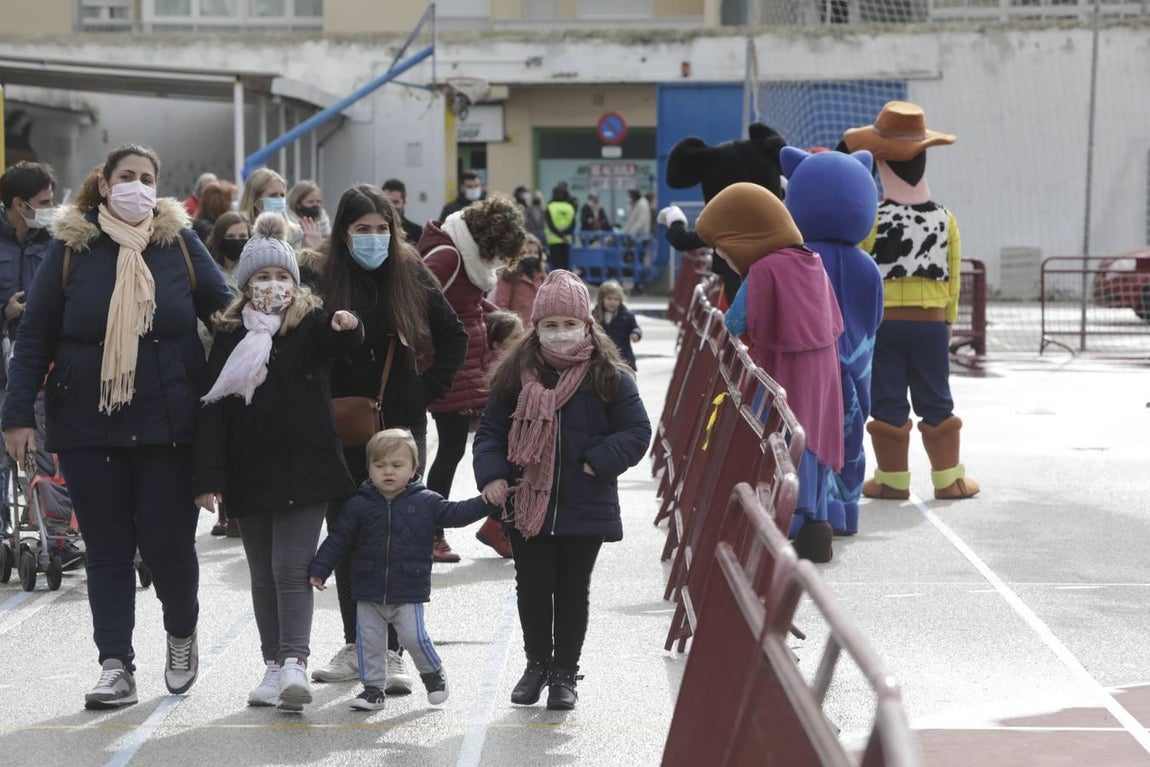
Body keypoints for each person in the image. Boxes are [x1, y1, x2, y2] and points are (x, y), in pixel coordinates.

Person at [1, 143, 233, 709]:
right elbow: (33, 338)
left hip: (168, 423)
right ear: (103, 185)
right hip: (87, 423)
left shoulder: (179, 242)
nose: (136, 185)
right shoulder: (70, 248)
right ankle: (116, 665)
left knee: (168, 547)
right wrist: (14, 419)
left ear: (159, 187)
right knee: (106, 550)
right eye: (125, 176)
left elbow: (225, 316)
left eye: (146, 177)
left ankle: (181, 634)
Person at [195, 212, 363, 712]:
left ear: (295, 282)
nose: (273, 286)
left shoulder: (311, 324)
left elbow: (343, 342)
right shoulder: (229, 334)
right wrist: (208, 479)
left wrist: (349, 327)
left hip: (308, 470)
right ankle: (272, 664)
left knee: (291, 568)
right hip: (250, 472)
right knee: (262, 574)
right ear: (246, 286)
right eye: (262, 278)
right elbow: (213, 410)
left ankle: (295, 661)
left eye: (282, 277)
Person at [473, 270, 651, 711]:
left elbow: (636, 430)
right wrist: (493, 475)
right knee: (532, 585)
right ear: (536, 327)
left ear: (586, 324)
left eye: (568, 324)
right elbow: (490, 433)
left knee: (572, 589)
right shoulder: (516, 375)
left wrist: (597, 461)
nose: (559, 334)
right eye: (549, 325)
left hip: (583, 504)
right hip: (526, 501)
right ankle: (536, 664)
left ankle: (564, 674)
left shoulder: (608, 375)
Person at [313, 183, 467, 690]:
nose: (374, 238)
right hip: (339, 424)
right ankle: (358, 644)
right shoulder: (321, 273)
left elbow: (454, 336)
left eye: (382, 229)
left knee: (396, 539)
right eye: (363, 230)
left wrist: (425, 392)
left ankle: (395, 650)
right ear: (343, 233)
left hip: (399, 429)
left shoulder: (410, 269)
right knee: (348, 532)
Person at [696, 182, 845, 563]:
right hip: (822, 369)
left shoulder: (764, 269)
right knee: (812, 438)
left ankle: (783, 524)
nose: (724, 259)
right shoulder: (812, 260)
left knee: (782, 436)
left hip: (783, 371)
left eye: (725, 249)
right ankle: (817, 525)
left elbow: (735, 320)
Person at [842, 101, 980, 502]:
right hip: (932, 324)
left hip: (884, 326)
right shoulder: (946, 219)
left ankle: (892, 480)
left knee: (886, 397)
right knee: (936, 397)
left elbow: (859, 273)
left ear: (883, 166)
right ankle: (948, 479)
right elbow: (953, 279)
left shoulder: (872, 218)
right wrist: (948, 321)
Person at [309, 428, 498, 711]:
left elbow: (456, 514)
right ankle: (373, 690)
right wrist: (320, 568)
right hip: (367, 590)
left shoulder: (426, 501)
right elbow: (338, 539)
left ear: (413, 469)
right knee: (369, 644)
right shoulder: (358, 505)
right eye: (379, 465)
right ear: (369, 469)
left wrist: (486, 502)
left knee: (413, 638)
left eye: (397, 465)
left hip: (407, 590)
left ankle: (432, 673)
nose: (388, 471)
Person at [418, 195, 526, 562]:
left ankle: (495, 522)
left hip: (471, 368)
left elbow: (470, 303)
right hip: (449, 370)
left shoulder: (466, 255)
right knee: (450, 450)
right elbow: (415, 303)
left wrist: (509, 321)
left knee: (503, 439)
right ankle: (431, 532)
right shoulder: (447, 257)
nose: (497, 261)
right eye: (498, 252)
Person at [201, 210, 252, 537]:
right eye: (231, 236)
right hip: (215, 356)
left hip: (249, 359)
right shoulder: (210, 272)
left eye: (243, 235)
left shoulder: (252, 273)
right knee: (223, 436)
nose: (238, 241)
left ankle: (236, 508)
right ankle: (224, 510)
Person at [0, 161, 56, 342]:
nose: (51, 208)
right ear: (19, 204)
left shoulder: (55, 241)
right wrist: (4, 313)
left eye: (52, 200)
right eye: (44, 202)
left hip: (40, 354)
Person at [492, 234, 545, 328]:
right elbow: (502, 305)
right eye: (528, 252)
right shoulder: (509, 275)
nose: (533, 256)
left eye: (536, 253)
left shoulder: (542, 276)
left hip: (537, 329)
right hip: (517, 329)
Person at [593, 280, 642, 371]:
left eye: (616, 299)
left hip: (623, 359)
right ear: (601, 299)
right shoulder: (594, 316)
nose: (613, 302)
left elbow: (635, 327)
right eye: (609, 298)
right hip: (602, 359)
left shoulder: (626, 316)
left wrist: (636, 333)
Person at [286, 179, 332, 246]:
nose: (316, 205)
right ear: (298, 204)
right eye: (311, 202)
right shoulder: (288, 223)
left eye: (318, 201)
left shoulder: (323, 220)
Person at [381, 178, 424, 244]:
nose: (391, 206)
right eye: (387, 201)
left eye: (395, 202)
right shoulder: (375, 229)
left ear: (404, 203)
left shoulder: (416, 231)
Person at [544, 185, 576, 272]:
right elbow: (573, 226)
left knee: (556, 267)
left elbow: (550, 225)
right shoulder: (570, 208)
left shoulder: (550, 207)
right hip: (567, 241)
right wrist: (565, 236)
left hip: (554, 240)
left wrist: (560, 236)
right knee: (565, 266)